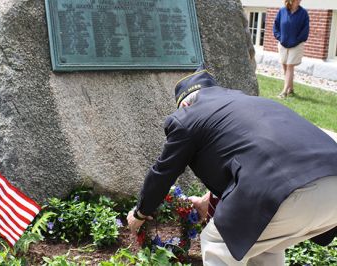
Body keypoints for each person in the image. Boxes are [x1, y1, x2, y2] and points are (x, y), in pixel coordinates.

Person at [127, 64, 337, 265]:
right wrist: (205, 202)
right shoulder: (247, 103)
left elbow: (163, 172)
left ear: (184, 104)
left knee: (218, 242)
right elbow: (256, 156)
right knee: (262, 244)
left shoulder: (187, 117)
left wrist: (140, 213)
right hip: (330, 188)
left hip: (288, 190)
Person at [273, 0, 309, 98]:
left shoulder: (303, 13)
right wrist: (280, 38)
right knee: (284, 65)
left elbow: (305, 30)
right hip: (283, 43)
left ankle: (284, 92)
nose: (299, 0)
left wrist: (296, 41)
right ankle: (291, 88)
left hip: (296, 44)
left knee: (290, 66)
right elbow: (276, 26)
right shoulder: (282, 11)